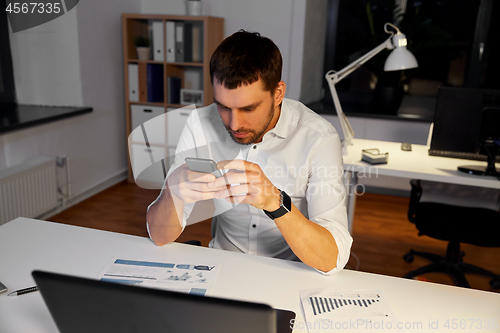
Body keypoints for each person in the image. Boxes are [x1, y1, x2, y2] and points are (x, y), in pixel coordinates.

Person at [146, 30, 352, 274]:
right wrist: (172, 191)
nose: (234, 124)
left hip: (292, 273)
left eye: (248, 108)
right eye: (223, 107)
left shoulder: (318, 137)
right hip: (221, 269)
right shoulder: (199, 124)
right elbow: (159, 237)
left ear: (278, 94)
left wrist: (275, 202)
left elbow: (333, 258)